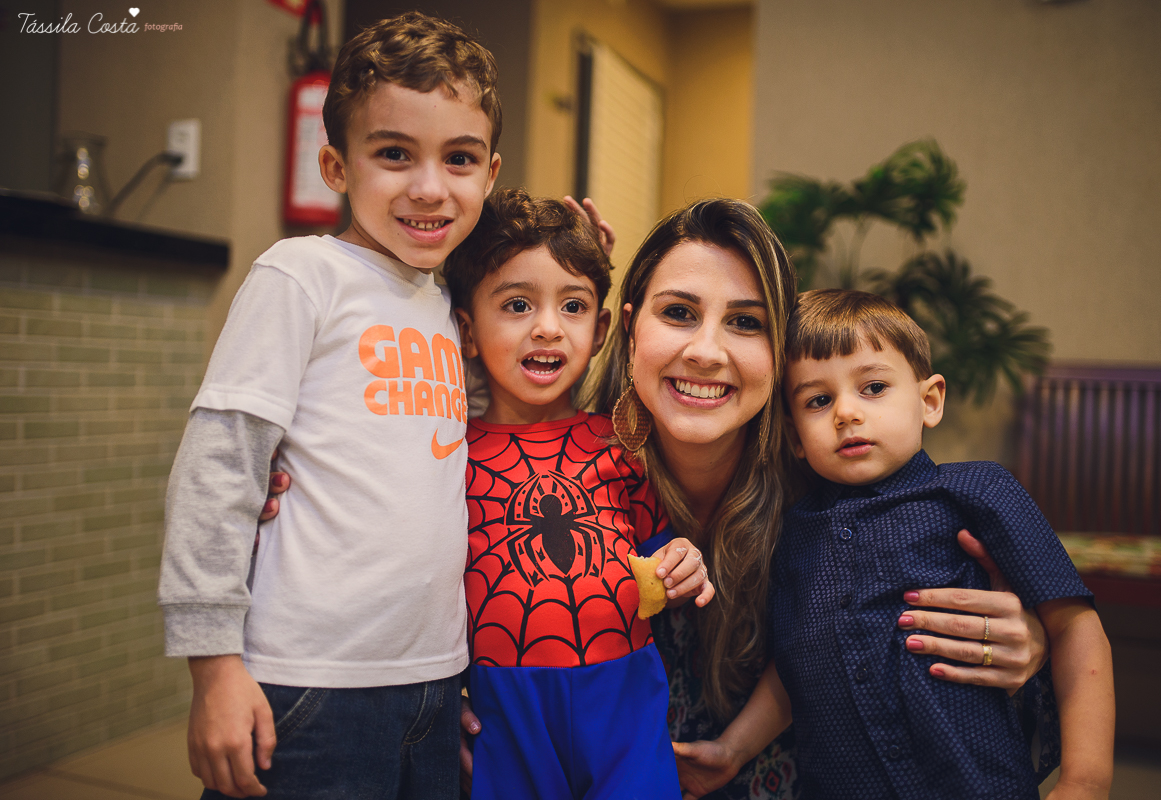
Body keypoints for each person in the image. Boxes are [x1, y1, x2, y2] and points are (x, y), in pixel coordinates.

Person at [579, 200, 1056, 800]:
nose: (706, 350)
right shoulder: (561, 473)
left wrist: (1027, 646)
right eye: (678, 313)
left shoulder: (834, 491)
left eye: (746, 323)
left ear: (780, 352)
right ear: (629, 328)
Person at [157, 13, 502, 798]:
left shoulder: (449, 302)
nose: (428, 186)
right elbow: (220, 467)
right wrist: (213, 668)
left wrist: (560, 254)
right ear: (336, 166)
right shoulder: (301, 275)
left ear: (489, 173)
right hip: (304, 686)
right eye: (393, 154)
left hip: (436, 681)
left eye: (459, 159)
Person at [765, 289, 1114, 799]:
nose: (845, 412)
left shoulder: (979, 491)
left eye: (874, 387)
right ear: (796, 437)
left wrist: (1086, 781)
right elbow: (789, 671)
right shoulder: (792, 536)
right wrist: (731, 749)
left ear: (929, 401)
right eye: (818, 400)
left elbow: (1075, 627)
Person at [443, 188, 715, 799]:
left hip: (625, 695)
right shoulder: (446, 456)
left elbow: (660, 546)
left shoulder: (621, 441)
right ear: (465, 329)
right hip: (503, 704)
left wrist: (681, 564)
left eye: (572, 307)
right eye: (516, 304)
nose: (547, 328)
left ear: (598, 331)